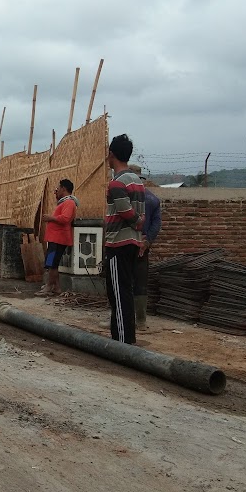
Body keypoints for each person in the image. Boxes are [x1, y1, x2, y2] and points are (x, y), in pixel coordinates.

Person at [104, 134, 146, 344]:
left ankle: (122, 342)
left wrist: (137, 222)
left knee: (118, 295)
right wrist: (139, 223)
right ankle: (125, 338)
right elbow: (141, 214)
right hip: (133, 243)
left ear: (112, 154)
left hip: (118, 243)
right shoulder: (137, 181)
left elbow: (126, 212)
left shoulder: (117, 183)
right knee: (125, 292)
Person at [130, 165, 162, 330]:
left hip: (125, 245)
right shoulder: (153, 199)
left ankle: (121, 318)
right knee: (141, 281)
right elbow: (157, 224)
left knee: (122, 281)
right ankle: (141, 321)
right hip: (143, 246)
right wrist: (147, 241)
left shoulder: (125, 197)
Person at [37, 179, 79, 296]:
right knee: (51, 262)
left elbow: (65, 218)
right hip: (55, 238)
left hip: (58, 238)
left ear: (64, 189)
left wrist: (51, 218)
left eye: (58, 188)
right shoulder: (63, 202)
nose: (56, 190)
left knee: (52, 263)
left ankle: (49, 286)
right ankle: (57, 287)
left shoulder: (69, 203)